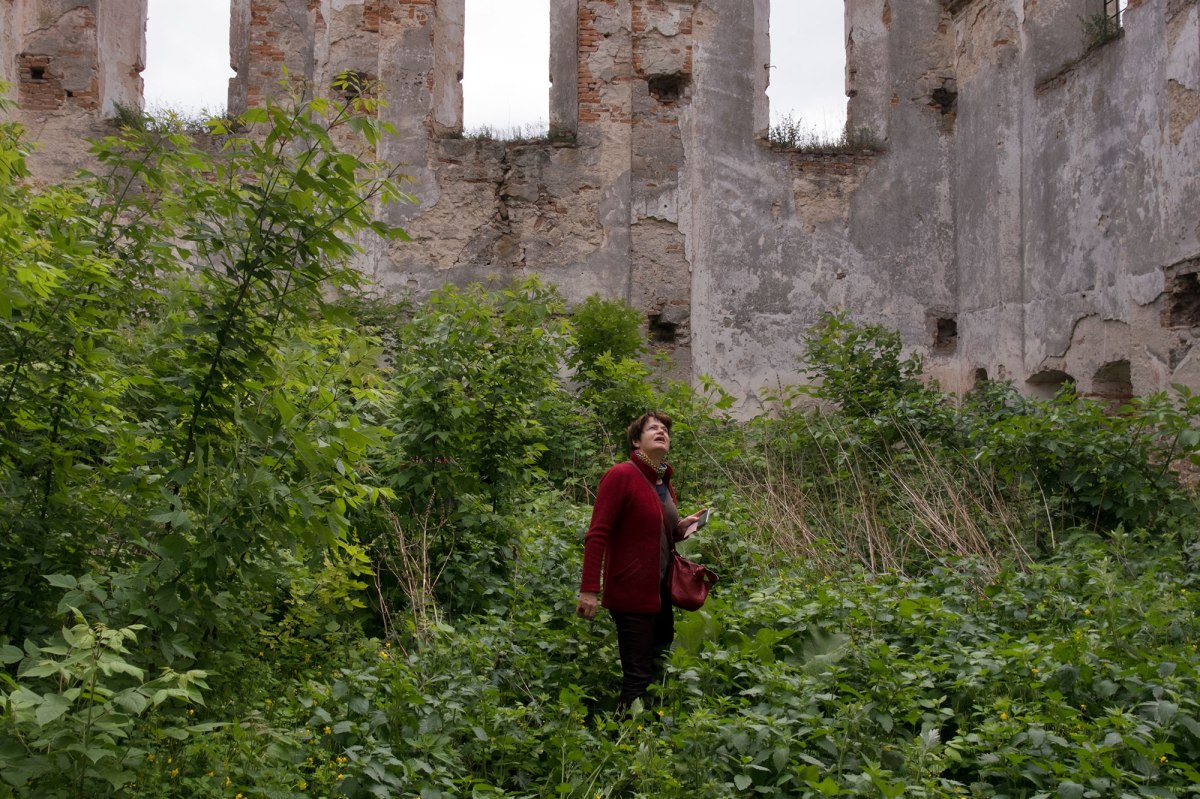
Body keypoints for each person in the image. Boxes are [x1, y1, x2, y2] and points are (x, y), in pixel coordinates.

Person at [576, 411, 706, 709]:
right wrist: (589, 590)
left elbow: (652, 535)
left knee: (658, 663)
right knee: (636, 677)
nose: (662, 432)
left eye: (665, 430)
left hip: (660, 591)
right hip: (631, 591)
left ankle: (651, 734)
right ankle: (625, 742)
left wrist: (679, 529)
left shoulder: (662, 481)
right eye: (653, 429)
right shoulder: (621, 475)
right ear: (636, 440)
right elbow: (597, 535)